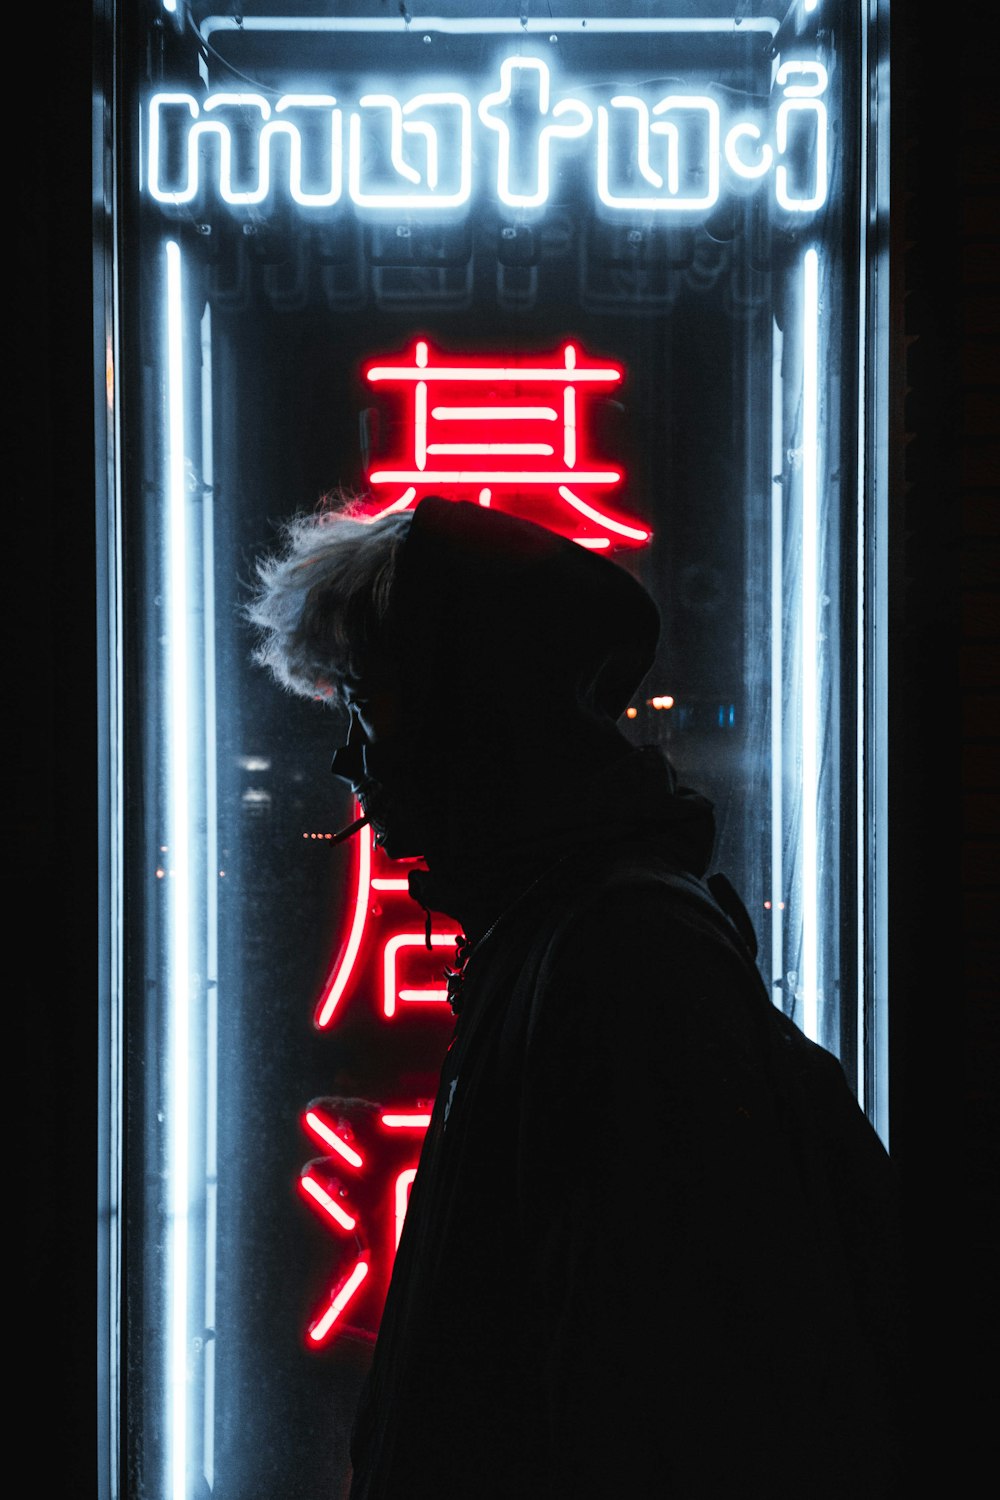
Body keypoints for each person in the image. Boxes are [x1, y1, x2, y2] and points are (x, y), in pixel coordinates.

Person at [248, 494, 905, 1499]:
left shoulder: (615, 960)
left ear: (470, 710)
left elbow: (658, 1403)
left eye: (369, 706)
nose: (352, 757)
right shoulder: (580, 933)